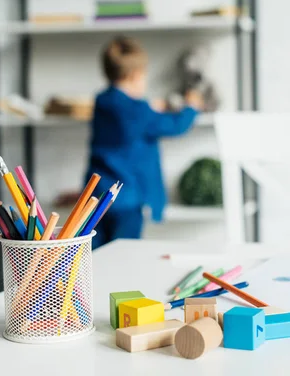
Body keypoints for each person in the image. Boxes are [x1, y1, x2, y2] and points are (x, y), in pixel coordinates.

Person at [85, 36, 203, 249]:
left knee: (94, 254)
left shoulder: (102, 101)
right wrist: (192, 107)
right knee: (124, 253)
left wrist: (148, 108)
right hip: (127, 198)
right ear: (135, 75)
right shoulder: (139, 111)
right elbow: (175, 126)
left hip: (96, 196)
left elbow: (127, 118)